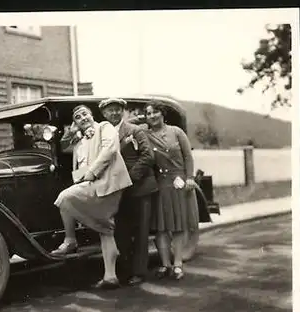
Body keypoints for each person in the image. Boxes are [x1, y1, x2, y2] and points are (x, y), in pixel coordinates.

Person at [51, 104, 133, 289]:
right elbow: (63, 147)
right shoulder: (79, 142)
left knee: (64, 198)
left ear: (91, 115)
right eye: (78, 117)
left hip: (108, 184)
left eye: (85, 114)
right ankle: (110, 277)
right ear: (76, 123)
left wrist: (93, 172)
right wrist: (71, 132)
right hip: (94, 186)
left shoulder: (105, 127)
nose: (83, 118)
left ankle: (70, 240)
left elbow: (110, 150)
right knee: (105, 229)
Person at [98, 98, 158, 286]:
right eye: (110, 111)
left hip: (139, 188)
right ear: (104, 114)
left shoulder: (135, 131)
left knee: (140, 231)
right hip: (116, 191)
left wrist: (129, 178)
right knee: (121, 231)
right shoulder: (102, 134)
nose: (114, 113)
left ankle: (139, 272)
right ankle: (125, 270)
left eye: (118, 110)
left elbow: (148, 156)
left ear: (123, 112)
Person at [145, 103, 199, 280]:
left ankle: (177, 264)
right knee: (161, 227)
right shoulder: (145, 134)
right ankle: (164, 264)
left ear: (163, 114)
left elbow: (187, 156)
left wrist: (189, 178)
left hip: (178, 182)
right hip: (159, 184)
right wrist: (137, 119)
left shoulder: (176, 131)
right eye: (148, 113)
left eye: (155, 112)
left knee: (178, 225)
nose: (152, 116)